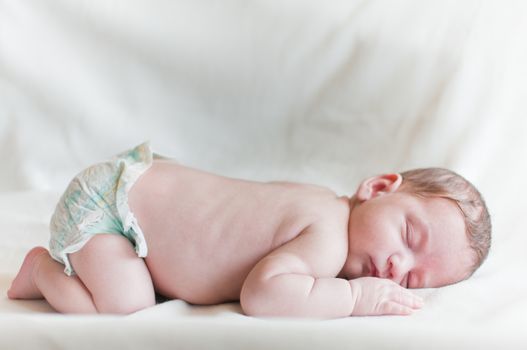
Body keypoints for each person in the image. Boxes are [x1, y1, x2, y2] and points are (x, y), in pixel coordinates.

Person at [7, 142, 491, 318]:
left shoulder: (319, 199)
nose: (395, 266)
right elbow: (264, 295)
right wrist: (356, 300)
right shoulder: (327, 237)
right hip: (110, 208)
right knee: (125, 305)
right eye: (408, 237)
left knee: (137, 284)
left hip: (138, 190)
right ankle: (41, 271)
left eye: (412, 280)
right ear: (378, 187)